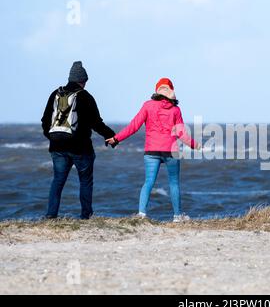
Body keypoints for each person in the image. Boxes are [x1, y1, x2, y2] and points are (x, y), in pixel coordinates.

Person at [107, 78, 201, 223]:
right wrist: (195, 145)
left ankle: (142, 214)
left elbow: (134, 126)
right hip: (171, 151)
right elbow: (182, 134)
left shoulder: (148, 106)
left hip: (151, 151)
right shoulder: (175, 110)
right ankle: (177, 216)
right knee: (174, 183)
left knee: (148, 182)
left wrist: (116, 138)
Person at [41, 61, 116, 220]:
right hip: (81, 148)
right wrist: (110, 135)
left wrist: (54, 139)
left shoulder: (56, 93)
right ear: (83, 81)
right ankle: (85, 216)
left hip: (57, 147)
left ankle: (51, 215)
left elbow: (45, 121)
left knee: (58, 181)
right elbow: (96, 123)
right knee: (85, 181)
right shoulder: (85, 96)